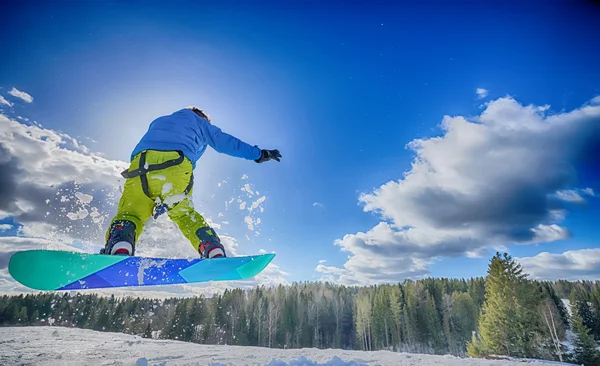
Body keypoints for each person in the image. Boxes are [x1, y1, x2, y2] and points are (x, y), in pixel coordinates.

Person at [100, 106, 281, 259]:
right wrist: (260, 154)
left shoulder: (159, 120)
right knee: (184, 215)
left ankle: (120, 245)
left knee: (132, 213)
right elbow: (225, 142)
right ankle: (212, 248)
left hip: (140, 165)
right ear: (202, 117)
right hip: (177, 165)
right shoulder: (201, 123)